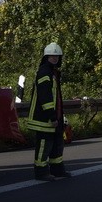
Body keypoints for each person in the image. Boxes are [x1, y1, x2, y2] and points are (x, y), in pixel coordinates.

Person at [25, 42, 70, 180]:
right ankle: (41, 172)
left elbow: (56, 98)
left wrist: (59, 116)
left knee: (57, 144)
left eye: (57, 56)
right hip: (44, 118)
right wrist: (52, 116)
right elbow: (45, 96)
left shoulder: (54, 72)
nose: (55, 58)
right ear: (46, 57)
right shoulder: (44, 72)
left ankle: (57, 169)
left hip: (54, 116)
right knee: (44, 145)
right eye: (52, 56)